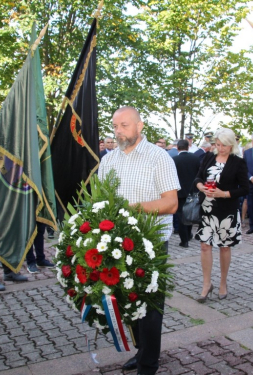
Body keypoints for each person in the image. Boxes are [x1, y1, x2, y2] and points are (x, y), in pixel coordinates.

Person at [98, 106, 179, 375]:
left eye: (124, 125)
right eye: (115, 126)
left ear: (140, 126)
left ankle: (148, 364)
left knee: (151, 307)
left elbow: (171, 203)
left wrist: (134, 209)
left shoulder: (159, 157)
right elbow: (101, 202)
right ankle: (141, 350)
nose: (118, 131)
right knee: (128, 301)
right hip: (119, 243)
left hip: (151, 243)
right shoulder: (108, 160)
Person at [193, 128, 249, 302]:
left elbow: (245, 188)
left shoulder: (238, 162)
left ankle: (223, 283)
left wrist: (223, 194)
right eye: (218, 144)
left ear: (231, 145)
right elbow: (198, 178)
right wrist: (200, 187)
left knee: (225, 247)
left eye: (224, 145)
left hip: (227, 211)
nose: (220, 148)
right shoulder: (209, 157)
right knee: (204, 246)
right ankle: (206, 284)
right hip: (207, 209)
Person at [173, 140, 200, 248]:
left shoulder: (174, 160)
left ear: (177, 147)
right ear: (188, 147)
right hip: (193, 190)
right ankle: (188, 235)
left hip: (180, 192)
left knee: (181, 216)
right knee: (190, 213)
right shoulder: (195, 158)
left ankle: (184, 240)